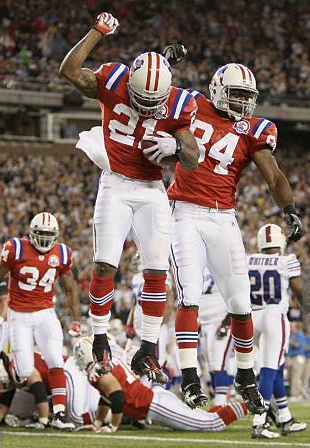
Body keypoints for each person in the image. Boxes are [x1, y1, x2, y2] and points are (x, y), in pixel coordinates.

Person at [59, 12, 199, 380]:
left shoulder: (179, 103)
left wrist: (176, 144)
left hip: (152, 189)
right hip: (116, 183)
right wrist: (96, 32)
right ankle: (100, 339)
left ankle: (148, 349)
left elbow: (194, 157)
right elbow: (70, 71)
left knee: (157, 270)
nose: (149, 106)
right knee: (105, 264)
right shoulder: (115, 79)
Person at [161, 62, 303, 413]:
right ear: (217, 89)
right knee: (189, 294)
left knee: (241, 303)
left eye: (246, 96)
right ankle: (191, 377)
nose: (241, 102)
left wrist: (289, 208)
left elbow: (273, 176)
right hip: (184, 211)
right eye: (236, 93)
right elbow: (152, 99)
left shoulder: (254, 129)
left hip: (224, 217)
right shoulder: (191, 104)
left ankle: (246, 376)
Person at [0, 212, 81, 429]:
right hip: (19, 315)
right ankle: (12, 404)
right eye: (41, 234)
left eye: (50, 235)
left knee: (55, 359)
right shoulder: (16, 248)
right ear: (32, 233)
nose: (46, 239)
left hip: (45, 312)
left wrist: (76, 319)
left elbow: (69, 287)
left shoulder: (63, 253)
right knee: (23, 370)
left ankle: (59, 413)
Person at [73, 338, 248, 432]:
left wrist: (112, 427)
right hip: (156, 400)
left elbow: (117, 397)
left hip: (154, 405)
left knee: (211, 424)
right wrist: (97, 423)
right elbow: (108, 397)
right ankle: (250, 405)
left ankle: (252, 405)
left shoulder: (97, 371)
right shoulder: (106, 364)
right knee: (202, 418)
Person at [247, 224, 307, 438]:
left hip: (252, 317)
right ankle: (259, 420)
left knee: (276, 368)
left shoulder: (249, 259)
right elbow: (298, 289)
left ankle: (284, 417)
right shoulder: (287, 260)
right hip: (274, 316)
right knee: (269, 369)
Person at [198, 268, 234, 407]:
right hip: (205, 323)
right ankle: (219, 400)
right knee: (210, 367)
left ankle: (221, 403)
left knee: (219, 365)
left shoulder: (224, 266)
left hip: (219, 321)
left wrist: (227, 322)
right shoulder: (202, 268)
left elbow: (237, 295)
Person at [286, 322, 306, 400]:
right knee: (290, 377)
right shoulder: (291, 335)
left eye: (292, 326)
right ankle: (302, 393)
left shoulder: (299, 335)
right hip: (291, 358)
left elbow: (298, 345)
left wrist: (290, 341)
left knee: (295, 377)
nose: (291, 328)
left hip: (298, 357)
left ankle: (295, 394)